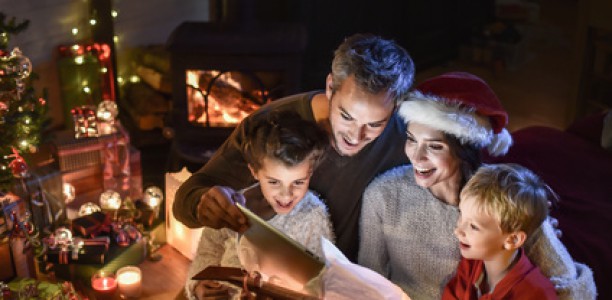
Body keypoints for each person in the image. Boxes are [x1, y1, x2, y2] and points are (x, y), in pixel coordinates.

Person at [174, 33, 415, 261]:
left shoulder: (407, 138)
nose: (356, 135)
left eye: (374, 124)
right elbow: (185, 200)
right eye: (346, 116)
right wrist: (202, 203)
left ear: (394, 109)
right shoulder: (271, 125)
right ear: (331, 87)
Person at [358, 72, 596, 299]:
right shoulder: (382, 195)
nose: (416, 156)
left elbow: (573, 288)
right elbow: (366, 284)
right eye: (411, 140)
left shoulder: (505, 195)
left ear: (464, 150)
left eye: (434, 146)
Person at [185, 110, 335, 300]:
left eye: (298, 182)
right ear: (255, 171)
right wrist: (198, 286)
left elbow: (320, 284)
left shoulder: (314, 216)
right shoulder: (232, 205)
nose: (286, 194)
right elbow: (208, 251)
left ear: (310, 173)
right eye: (274, 182)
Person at [442, 163, 557, 299]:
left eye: (473, 226)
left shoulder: (536, 293)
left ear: (513, 240)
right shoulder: (471, 264)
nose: (457, 231)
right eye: (461, 214)